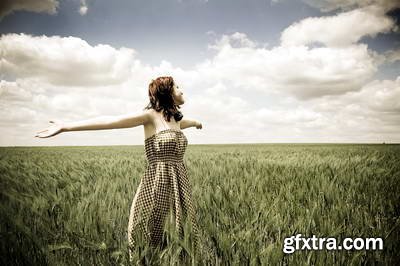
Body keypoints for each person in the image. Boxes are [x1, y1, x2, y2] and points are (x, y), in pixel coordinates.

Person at [35, 76, 203, 264]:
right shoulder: (150, 116)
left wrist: (197, 122)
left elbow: (187, 122)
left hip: (179, 184)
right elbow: (112, 121)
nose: (181, 90)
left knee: (180, 233)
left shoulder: (175, 120)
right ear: (166, 92)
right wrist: (66, 127)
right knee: (149, 232)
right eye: (177, 87)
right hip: (157, 182)